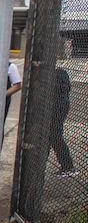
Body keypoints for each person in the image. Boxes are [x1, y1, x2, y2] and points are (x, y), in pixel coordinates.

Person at [51, 45, 76, 177]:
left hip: (59, 107)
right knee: (52, 136)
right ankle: (66, 165)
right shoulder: (50, 74)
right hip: (54, 107)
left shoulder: (60, 73)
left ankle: (68, 166)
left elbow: (65, 89)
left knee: (55, 136)